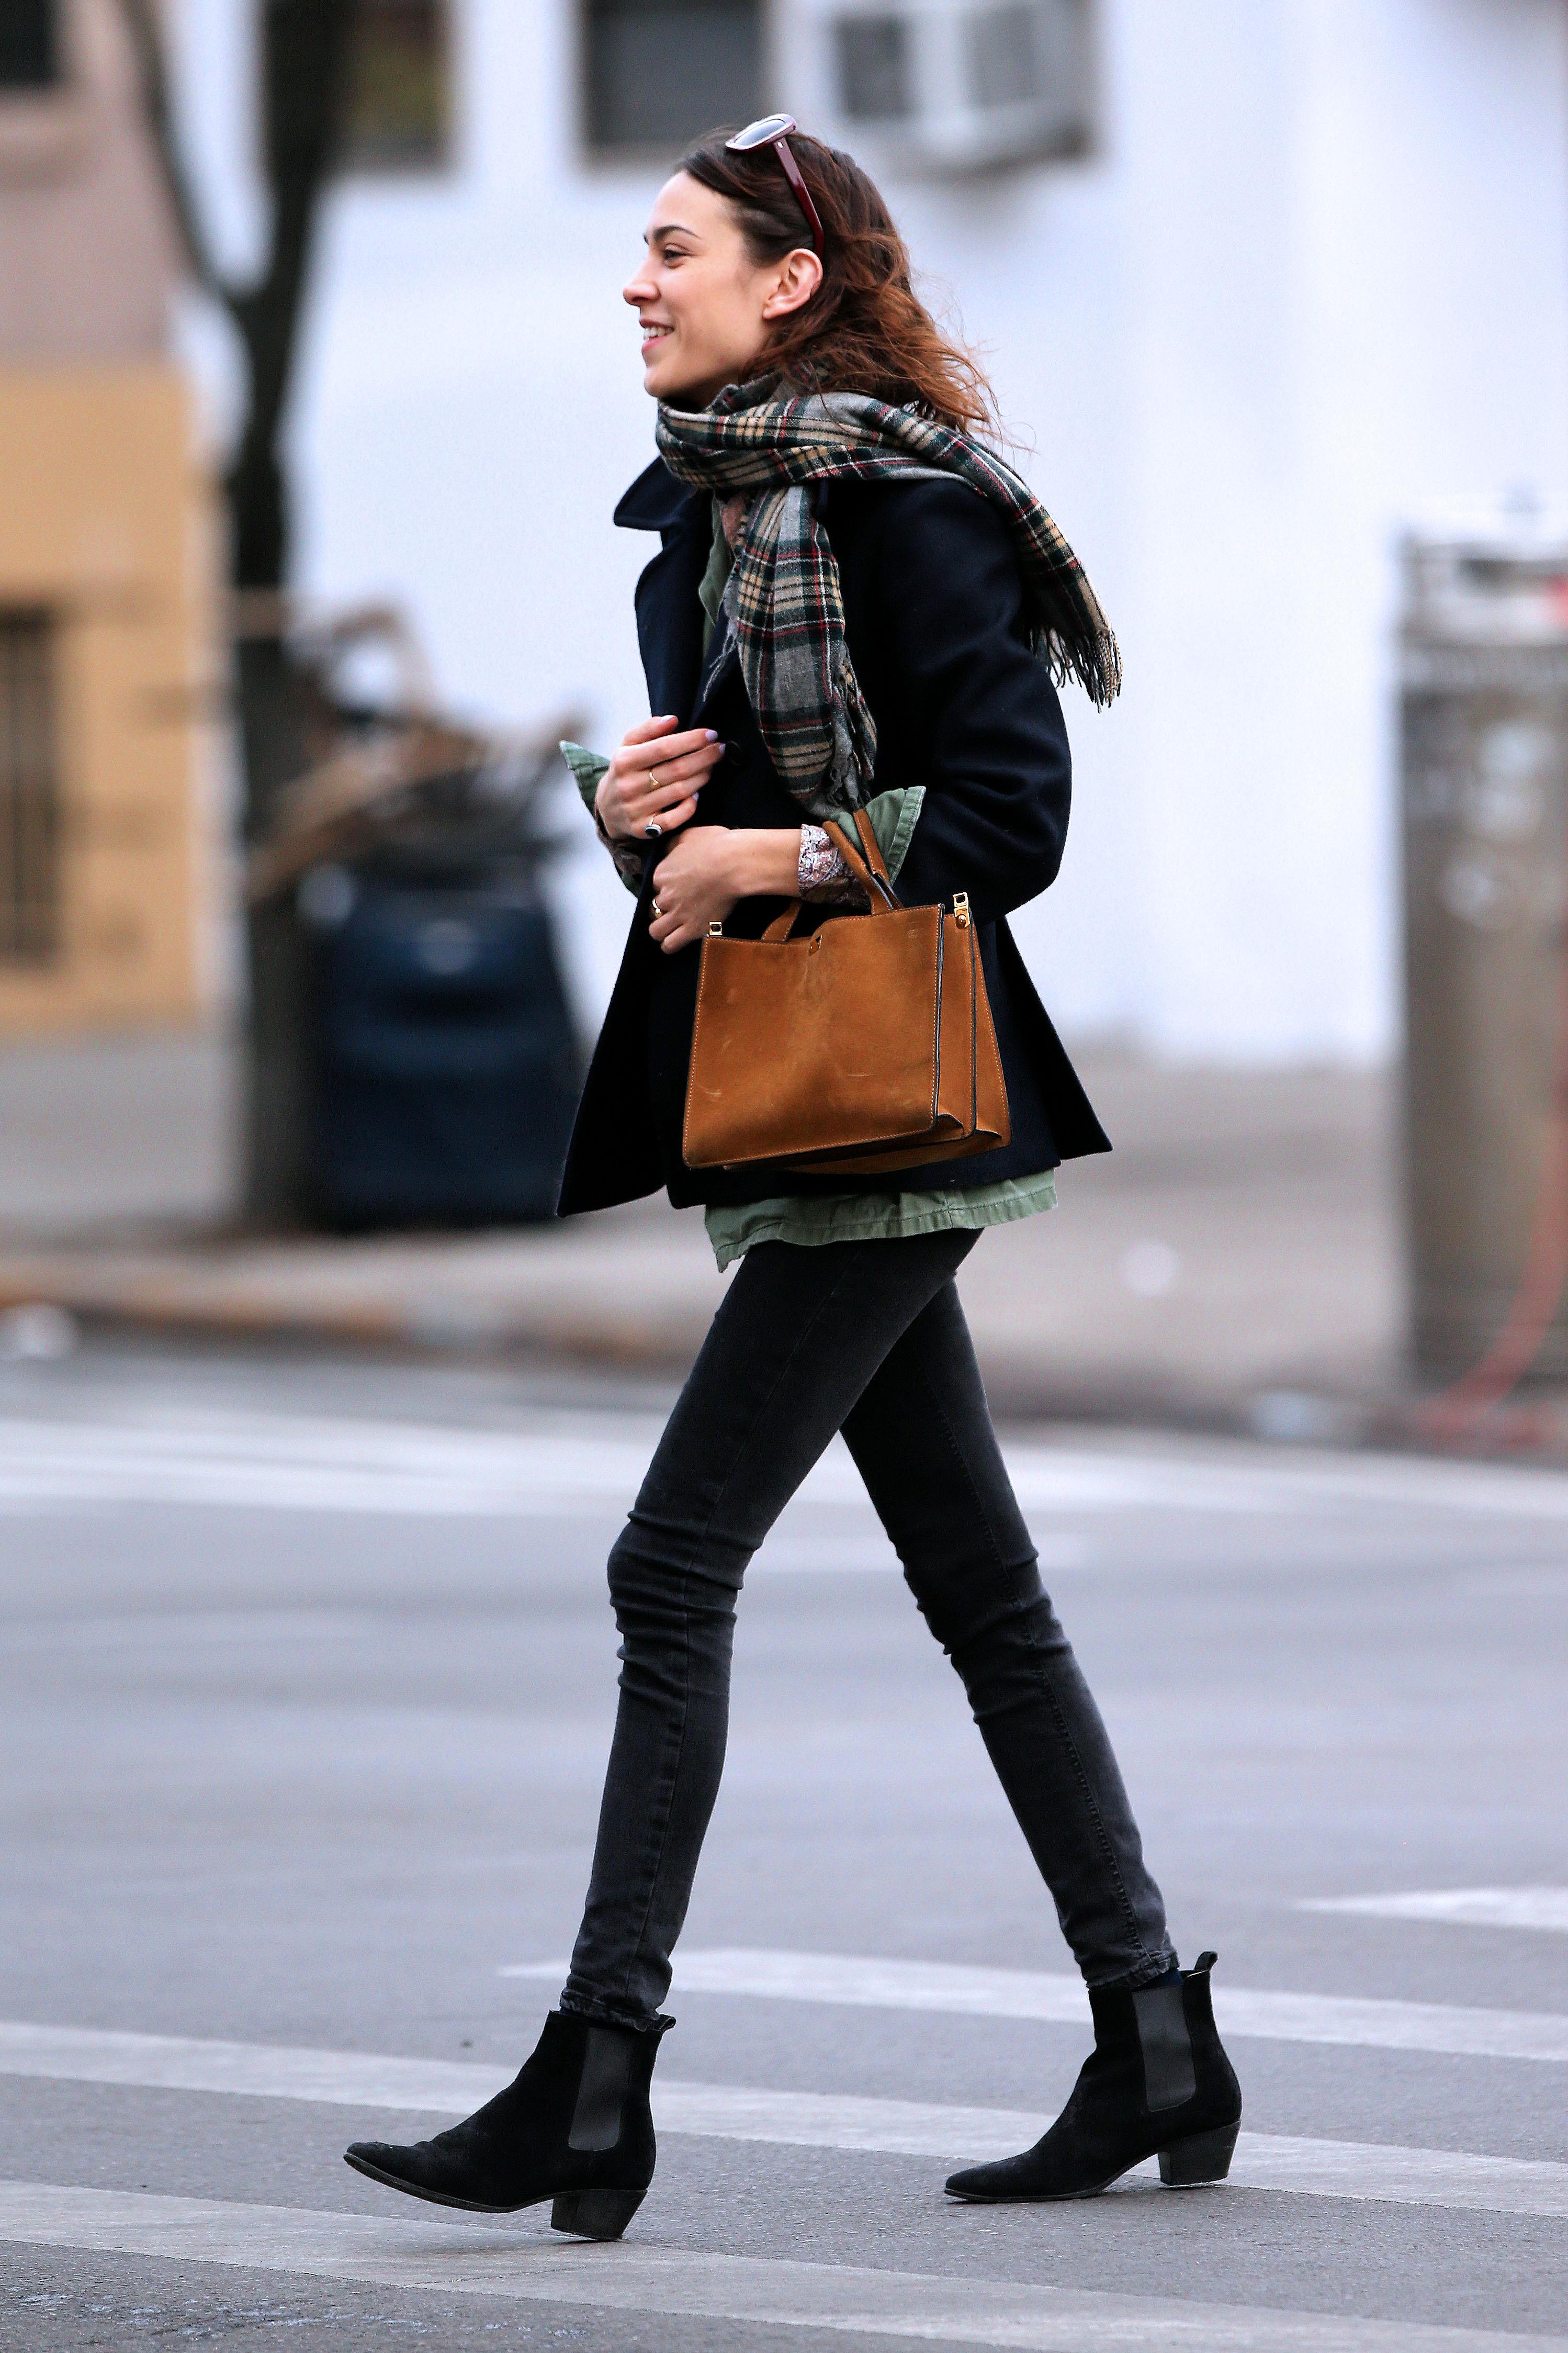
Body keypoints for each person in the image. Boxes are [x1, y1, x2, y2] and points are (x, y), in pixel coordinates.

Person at [345, 117, 1240, 2239]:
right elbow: (712, 842)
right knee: (985, 1596)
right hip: (805, 1100)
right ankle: (1153, 2035)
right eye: (640, 253)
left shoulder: (911, 505)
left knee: (669, 1567)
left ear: (792, 278)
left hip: (900, 1104)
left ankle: (596, 2074)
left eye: (675, 249)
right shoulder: (704, 519)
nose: (637, 284)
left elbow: (1010, 814)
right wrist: (644, 812)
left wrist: (772, 849)